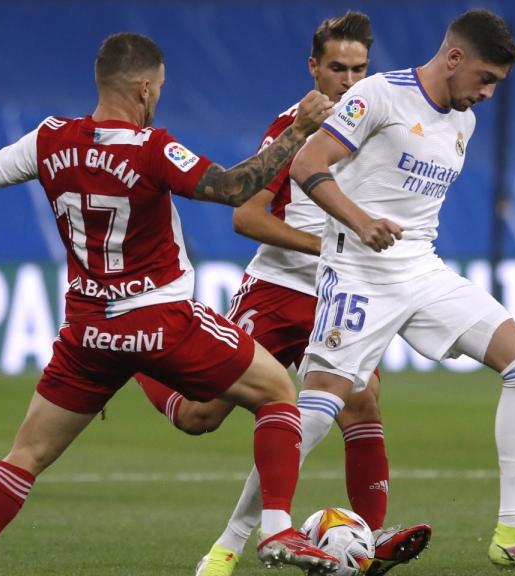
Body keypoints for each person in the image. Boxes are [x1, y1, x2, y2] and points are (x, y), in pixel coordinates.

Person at [0, 32, 341, 576]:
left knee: (25, 456)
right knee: (278, 392)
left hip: (88, 333)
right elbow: (235, 187)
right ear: (144, 88)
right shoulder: (152, 148)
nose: (159, 98)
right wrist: (297, 131)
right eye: (160, 88)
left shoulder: (50, 139)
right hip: (163, 321)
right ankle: (277, 531)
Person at [133, 13, 429, 576]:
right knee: (200, 416)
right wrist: (332, 245)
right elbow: (246, 218)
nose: (347, 80)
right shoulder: (293, 126)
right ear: (313, 67)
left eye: (358, 69)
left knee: (362, 399)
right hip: (277, 288)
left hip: (340, 294)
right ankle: (139, 358)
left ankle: (367, 539)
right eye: (336, 68)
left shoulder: (381, 122)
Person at [298, 8, 515, 573]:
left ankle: (514, 530)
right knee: (316, 411)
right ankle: (236, 542)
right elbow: (309, 163)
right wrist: (361, 222)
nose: (487, 93)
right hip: (356, 269)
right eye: (485, 79)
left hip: (420, 271)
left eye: (496, 85)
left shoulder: (464, 121)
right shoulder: (379, 94)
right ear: (454, 58)